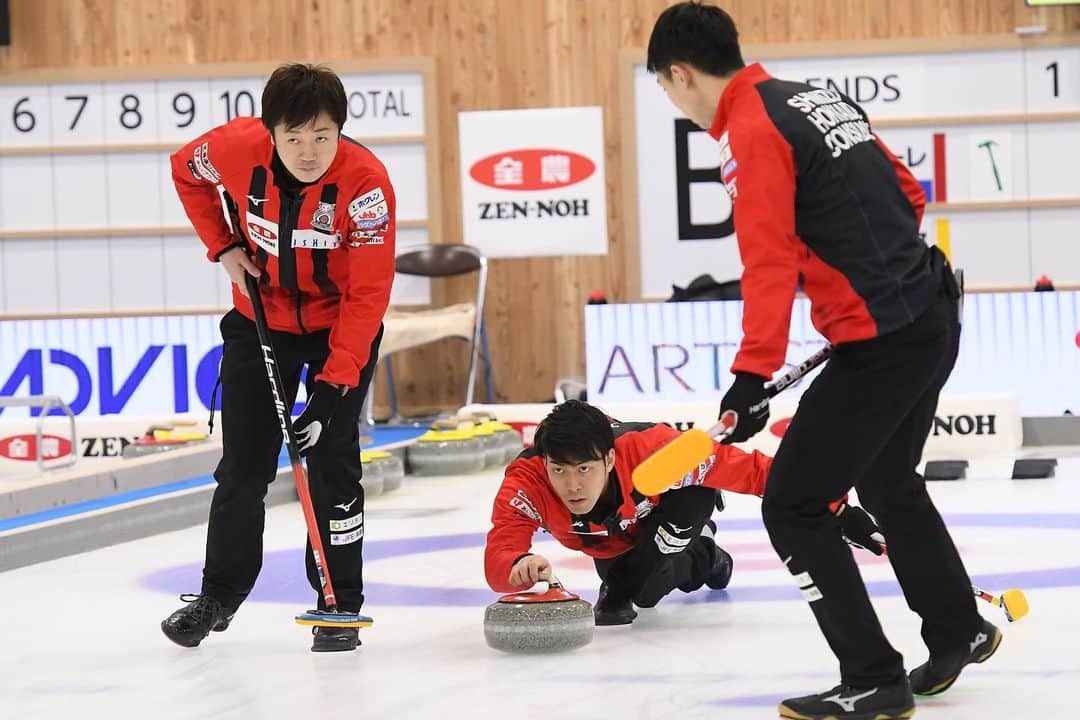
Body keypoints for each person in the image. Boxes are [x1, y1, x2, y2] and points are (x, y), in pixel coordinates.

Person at [647, 4, 997, 718]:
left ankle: (873, 677)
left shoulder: (749, 132)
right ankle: (959, 626)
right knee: (888, 479)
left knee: (795, 504)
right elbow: (908, 193)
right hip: (933, 309)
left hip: (885, 342)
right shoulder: (813, 98)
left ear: (680, 74)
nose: (676, 104)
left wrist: (751, 378)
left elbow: (769, 263)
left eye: (667, 89)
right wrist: (873, 286)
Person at [160, 64, 396, 653]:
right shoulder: (235, 149)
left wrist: (333, 388)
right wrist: (223, 245)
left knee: (333, 465)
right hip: (257, 322)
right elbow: (184, 171)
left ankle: (338, 603)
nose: (308, 151)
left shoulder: (366, 187)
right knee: (243, 465)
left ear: (340, 130)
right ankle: (217, 594)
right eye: (293, 138)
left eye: (323, 136)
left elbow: (368, 295)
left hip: (334, 331)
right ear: (270, 133)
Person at [484, 400, 884, 625]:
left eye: (584, 469)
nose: (572, 485)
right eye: (560, 470)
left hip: (679, 500)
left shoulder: (655, 452)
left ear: (608, 459)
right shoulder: (528, 483)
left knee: (637, 590)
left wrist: (838, 507)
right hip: (616, 537)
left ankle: (707, 554)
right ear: (546, 465)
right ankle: (691, 557)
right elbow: (500, 551)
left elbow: (757, 472)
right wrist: (517, 563)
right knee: (628, 588)